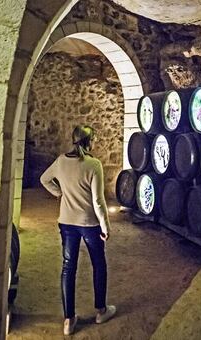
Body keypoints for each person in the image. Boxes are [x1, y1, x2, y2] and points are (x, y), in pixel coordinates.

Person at [40, 125, 116, 336]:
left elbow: (44, 179)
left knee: (68, 267)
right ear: (89, 141)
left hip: (66, 222)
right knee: (98, 264)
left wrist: (59, 193)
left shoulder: (61, 161)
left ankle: (69, 319)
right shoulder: (93, 164)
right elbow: (98, 201)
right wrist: (105, 226)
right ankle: (101, 311)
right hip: (89, 224)